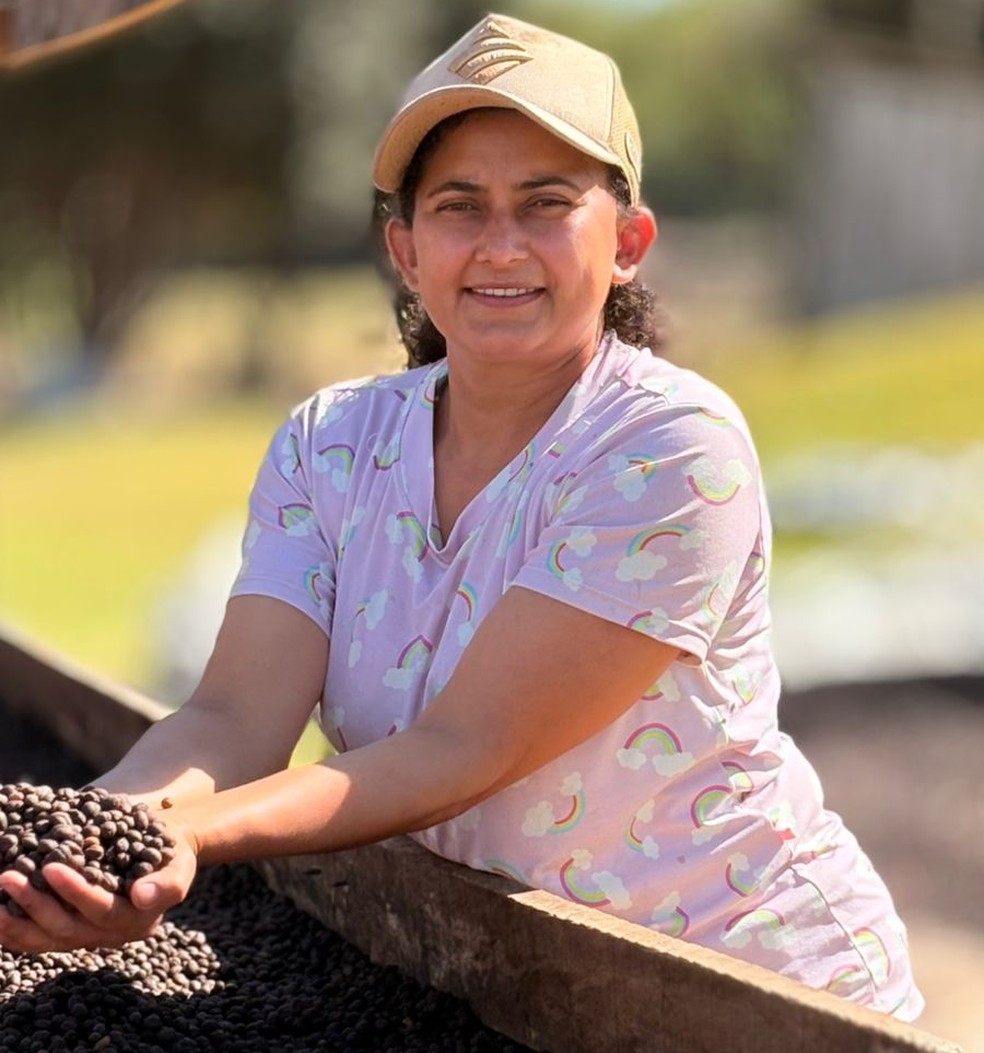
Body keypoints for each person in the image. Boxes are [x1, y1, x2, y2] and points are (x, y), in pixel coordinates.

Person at [0, 12, 923, 1021]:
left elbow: (463, 748)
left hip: (751, 992)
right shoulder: (332, 443)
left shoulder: (668, 446)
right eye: (459, 206)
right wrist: (97, 834)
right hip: (499, 985)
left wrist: (197, 840)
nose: (500, 244)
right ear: (405, 248)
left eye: (546, 204)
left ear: (627, 242)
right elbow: (231, 716)